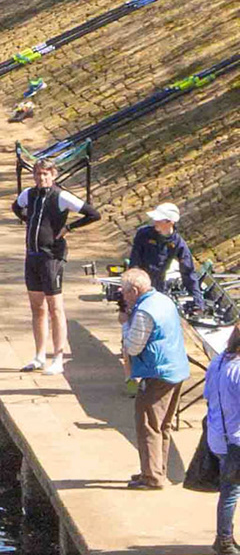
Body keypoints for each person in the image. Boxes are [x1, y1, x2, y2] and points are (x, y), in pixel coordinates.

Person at [12, 158, 98, 372]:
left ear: (53, 175)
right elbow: (16, 207)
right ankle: (39, 355)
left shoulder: (60, 196)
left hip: (51, 258)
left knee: (55, 308)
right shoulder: (29, 195)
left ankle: (58, 358)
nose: (42, 178)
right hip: (32, 256)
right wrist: (28, 220)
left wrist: (68, 227)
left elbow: (93, 214)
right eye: (38, 174)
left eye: (46, 174)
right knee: (37, 308)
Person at [119, 266, 189, 487]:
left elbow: (133, 347)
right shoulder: (163, 300)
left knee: (148, 424)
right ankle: (157, 469)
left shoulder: (143, 312)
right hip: (176, 370)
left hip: (158, 374)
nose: (122, 295)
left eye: (124, 291)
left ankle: (151, 477)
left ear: (136, 290)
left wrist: (124, 324)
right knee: (163, 425)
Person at [205, 330, 240, 555]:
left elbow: (207, 395)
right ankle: (224, 542)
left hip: (217, 436)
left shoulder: (217, 361)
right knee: (231, 491)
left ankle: (223, 538)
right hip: (235, 440)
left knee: (230, 490)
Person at [127, 202, 201, 307]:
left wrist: (197, 300)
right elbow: (135, 260)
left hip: (159, 284)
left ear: (170, 222)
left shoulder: (178, 243)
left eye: (159, 220)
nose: (155, 222)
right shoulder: (143, 234)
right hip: (139, 282)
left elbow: (188, 272)